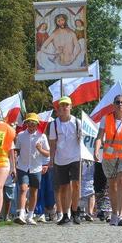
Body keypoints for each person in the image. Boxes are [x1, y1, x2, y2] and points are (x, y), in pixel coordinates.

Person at [94, 94, 122, 226]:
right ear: (113, 104)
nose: (120, 104)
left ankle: (121, 215)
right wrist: (96, 150)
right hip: (110, 157)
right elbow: (99, 137)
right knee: (112, 185)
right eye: (117, 102)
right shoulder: (105, 119)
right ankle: (114, 213)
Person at [49, 96, 83, 225]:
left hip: (75, 157)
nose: (64, 107)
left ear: (71, 107)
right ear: (59, 108)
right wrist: (51, 159)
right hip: (60, 159)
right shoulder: (54, 124)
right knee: (64, 187)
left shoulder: (77, 122)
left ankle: (75, 212)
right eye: (62, 105)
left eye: (66, 105)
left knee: (76, 185)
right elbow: (52, 143)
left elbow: (82, 140)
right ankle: (64, 215)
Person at [13, 113, 50, 225]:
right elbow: (16, 150)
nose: (31, 125)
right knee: (23, 189)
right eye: (29, 123)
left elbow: (48, 153)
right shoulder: (20, 135)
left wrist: (39, 149)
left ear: (37, 125)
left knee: (34, 191)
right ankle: (21, 214)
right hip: (23, 166)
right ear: (26, 123)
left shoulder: (41, 136)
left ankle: (30, 215)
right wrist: (14, 164)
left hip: (36, 167)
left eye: (34, 123)